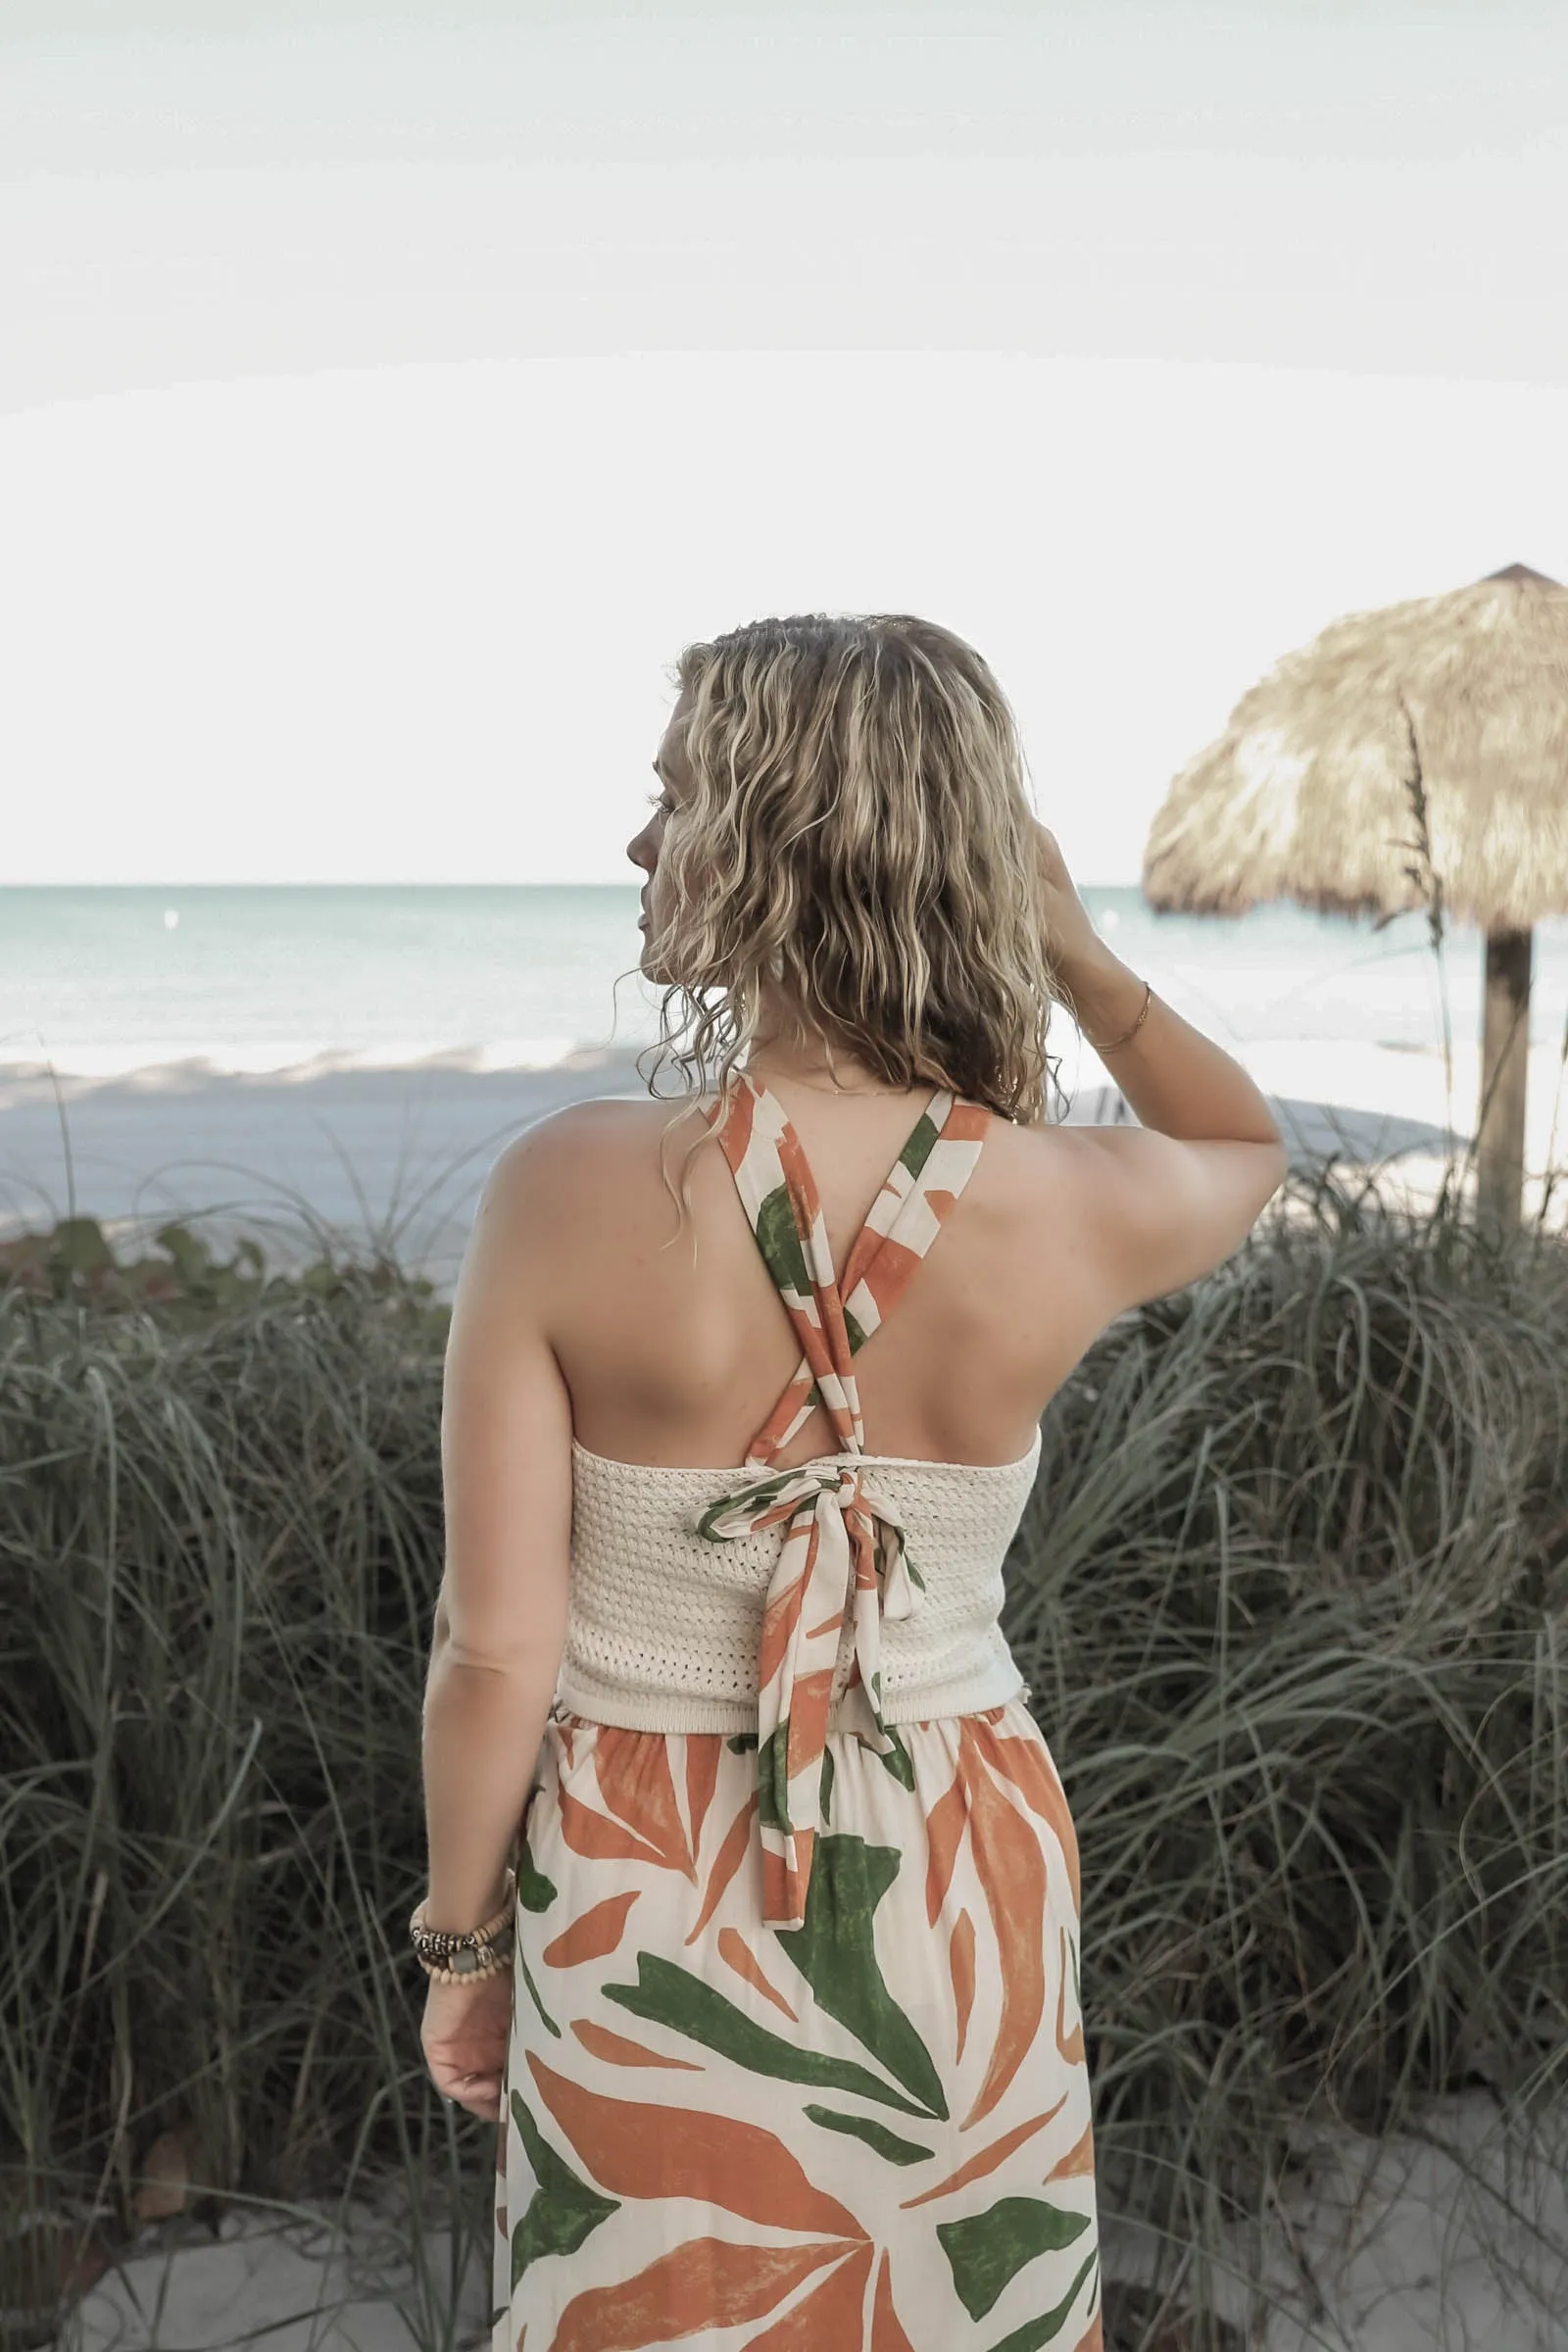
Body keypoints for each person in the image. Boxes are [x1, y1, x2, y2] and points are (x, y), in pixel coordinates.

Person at [415, 613, 1289, 2350]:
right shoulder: (1071, 1199)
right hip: (963, 1847)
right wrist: (1083, 960)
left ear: (775, 841)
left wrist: (458, 1945)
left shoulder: (567, 1189)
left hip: (643, 1856)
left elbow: (493, 1647)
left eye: (677, 799)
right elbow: (1243, 1144)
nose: (641, 842)